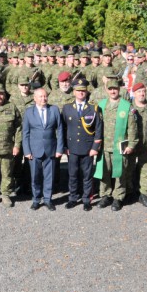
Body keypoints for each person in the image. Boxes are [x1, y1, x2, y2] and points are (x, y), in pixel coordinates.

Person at [93, 78, 139, 211]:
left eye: (115, 89)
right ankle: (105, 195)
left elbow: (132, 128)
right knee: (104, 172)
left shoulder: (126, 106)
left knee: (120, 173)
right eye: (110, 89)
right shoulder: (101, 105)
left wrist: (131, 145)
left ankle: (118, 197)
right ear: (107, 90)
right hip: (104, 146)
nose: (113, 91)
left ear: (119, 90)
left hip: (120, 147)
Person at [62, 77, 103, 211]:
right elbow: (63, 129)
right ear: (73, 91)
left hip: (87, 148)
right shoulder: (67, 108)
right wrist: (64, 147)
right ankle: (73, 198)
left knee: (87, 175)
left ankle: (86, 199)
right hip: (72, 148)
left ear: (86, 92)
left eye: (83, 91)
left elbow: (98, 129)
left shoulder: (93, 108)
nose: (80, 93)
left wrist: (95, 148)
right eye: (78, 90)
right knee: (72, 174)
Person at [23, 87, 64, 210]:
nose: (44, 98)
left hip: (51, 149)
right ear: (35, 98)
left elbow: (60, 130)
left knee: (49, 176)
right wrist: (27, 151)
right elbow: (25, 133)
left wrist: (59, 149)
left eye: (45, 96)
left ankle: (48, 199)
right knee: (35, 177)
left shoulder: (54, 110)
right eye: (40, 96)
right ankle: (36, 199)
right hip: (34, 150)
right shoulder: (29, 112)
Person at [130, 82, 147, 207]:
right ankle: (129, 192)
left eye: (143, 91)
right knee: (128, 169)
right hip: (132, 145)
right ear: (134, 93)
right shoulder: (129, 107)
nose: (141, 94)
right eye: (138, 92)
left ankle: (144, 194)